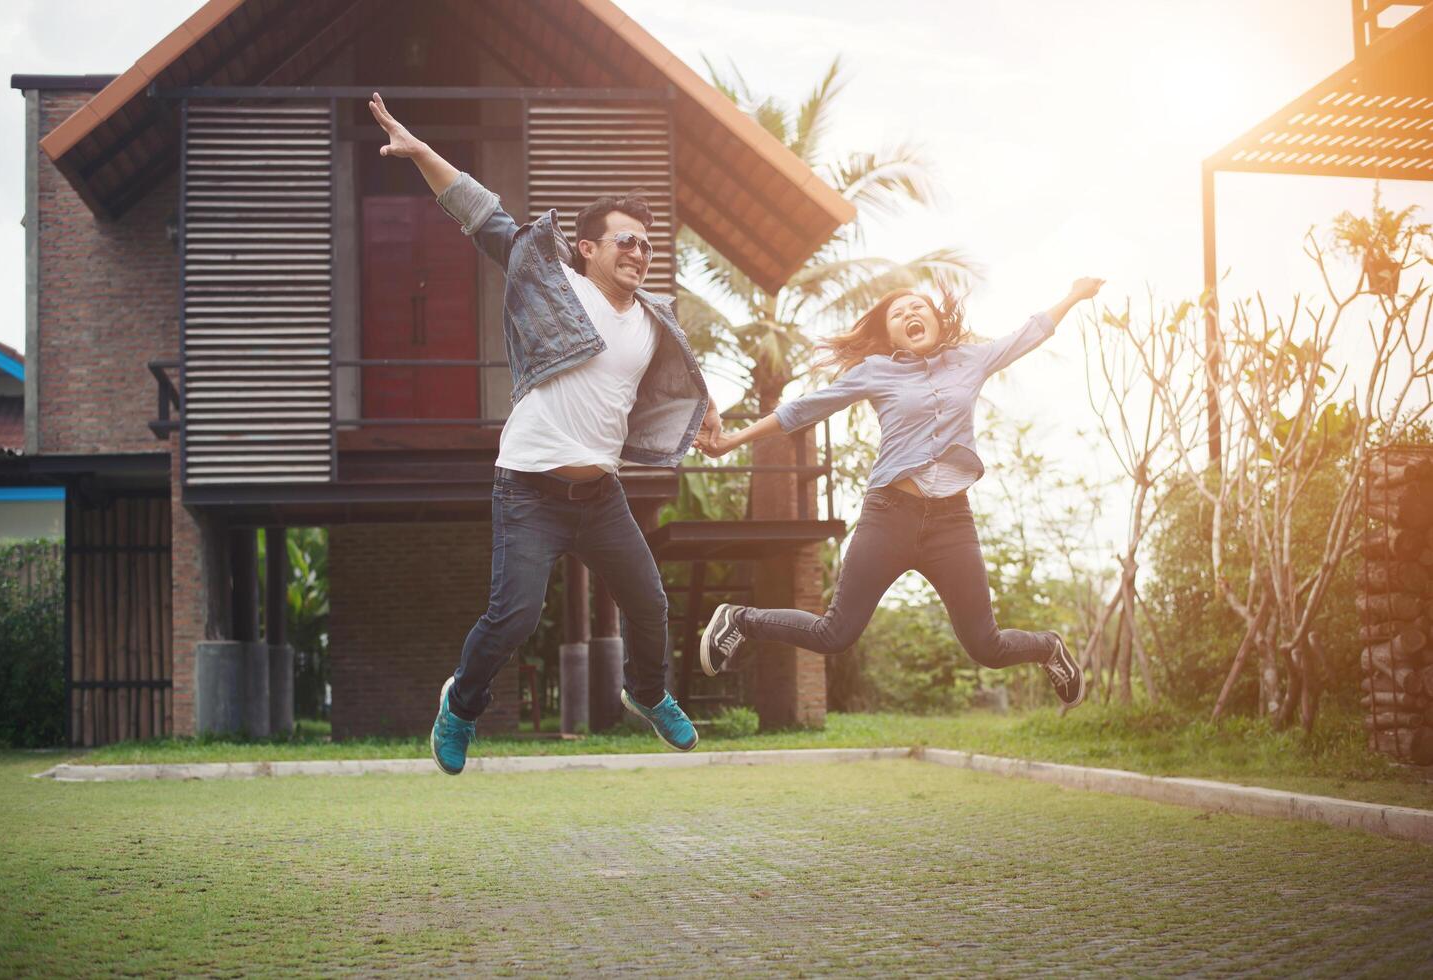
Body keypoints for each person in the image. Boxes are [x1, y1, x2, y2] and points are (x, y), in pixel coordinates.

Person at [367, 93, 723, 773]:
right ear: (588, 247)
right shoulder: (551, 279)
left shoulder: (655, 319)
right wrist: (420, 153)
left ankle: (647, 695)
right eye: (627, 241)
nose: (640, 253)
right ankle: (461, 706)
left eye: (647, 244)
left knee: (649, 604)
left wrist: (707, 407)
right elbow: (484, 215)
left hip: (599, 498)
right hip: (528, 488)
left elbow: (680, 374)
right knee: (515, 617)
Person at [698, 280, 1106, 707]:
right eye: (898, 314)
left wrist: (1074, 295)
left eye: (919, 307)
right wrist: (731, 440)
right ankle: (740, 620)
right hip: (890, 516)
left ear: (935, 318)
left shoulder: (971, 360)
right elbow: (804, 408)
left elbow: (1030, 332)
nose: (911, 314)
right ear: (889, 335)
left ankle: (1048, 648)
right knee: (834, 633)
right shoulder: (876, 371)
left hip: (951, 522)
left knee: (987, 647)